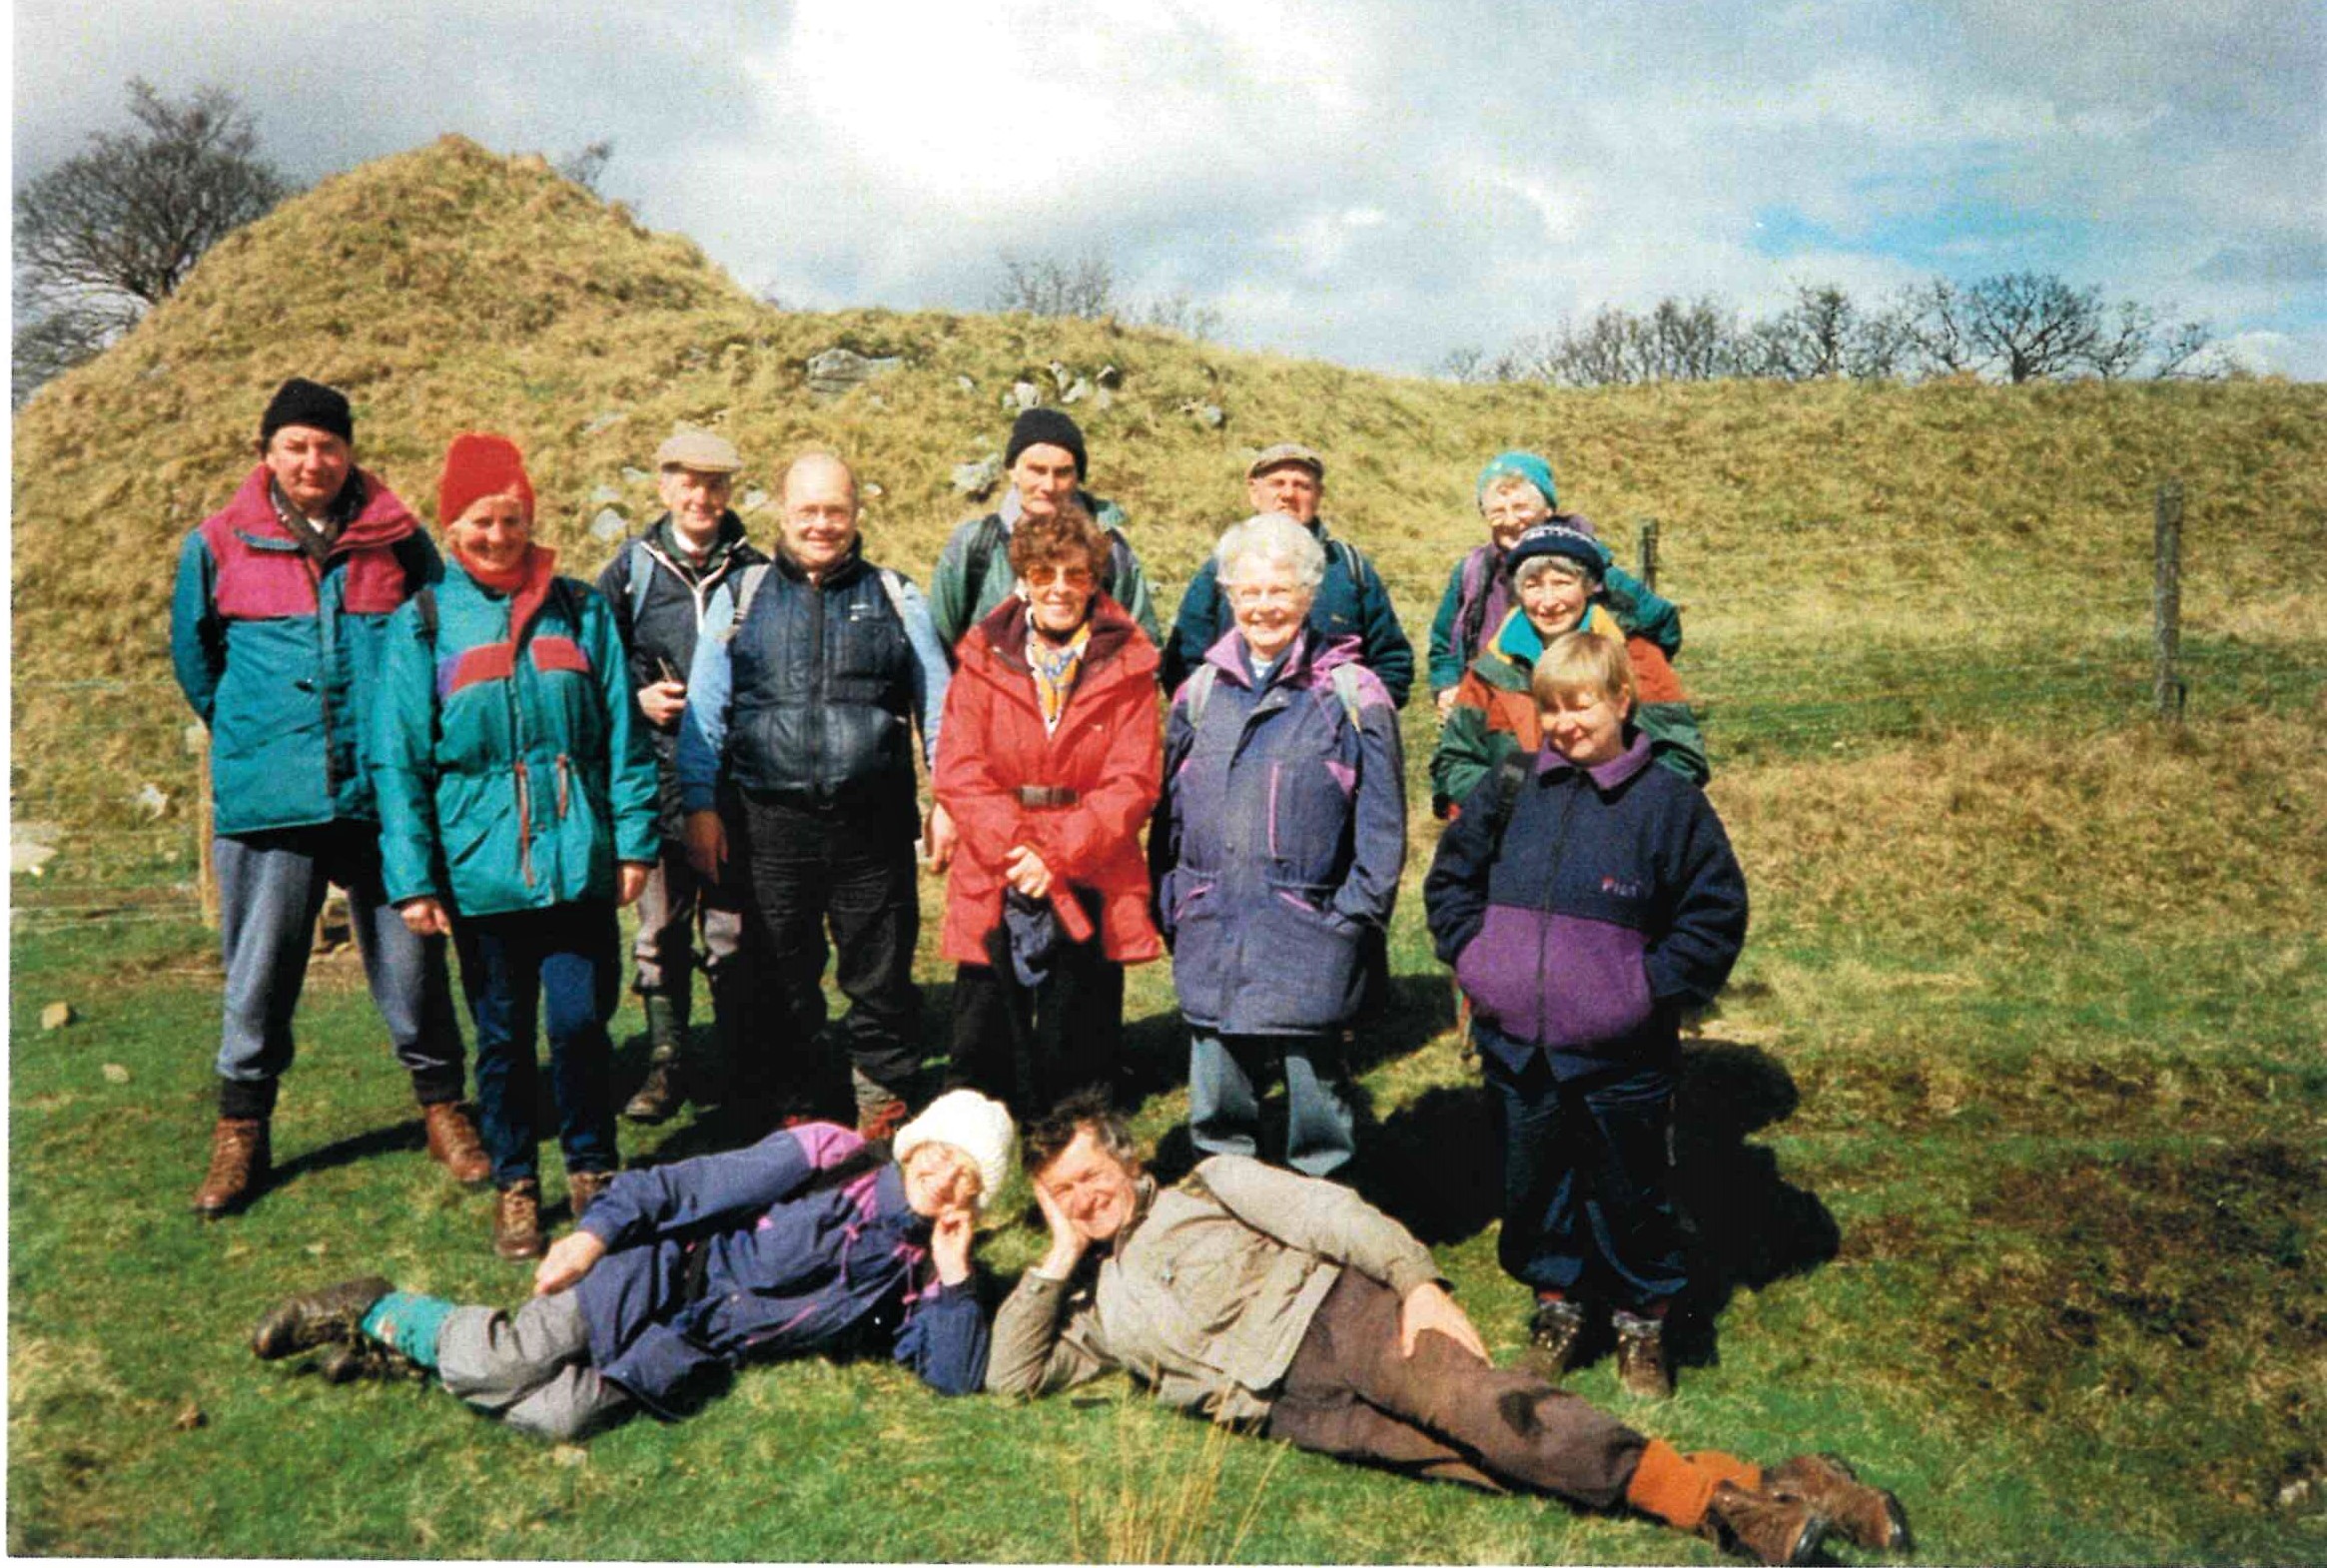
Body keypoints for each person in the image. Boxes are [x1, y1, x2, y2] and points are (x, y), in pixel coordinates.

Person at [989, 1092, 1908, 1567]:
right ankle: (1787, 1484)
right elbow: (1010, 1377)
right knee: (1488, 1466)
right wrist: (1058, 1255)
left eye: (1091, 1176)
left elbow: (1328, 1213)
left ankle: (1723, 1513)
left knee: (1499, 1416)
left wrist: (1416, 1282)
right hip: (1291, 1412)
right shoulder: (1099, 1308)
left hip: (1341, 1318)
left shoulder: (1209, 1186)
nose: (1086, 1198)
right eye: (1063, 1193)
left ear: (1127, 1160)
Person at [251, 1090, 1014, 1442]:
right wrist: (593, 1236)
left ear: (976, 1200)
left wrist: (956, 1280)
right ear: (917, 1141)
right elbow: (683, 1185)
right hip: (656, 1269)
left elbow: (952, 1380)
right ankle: (377, 1306)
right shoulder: (829, 1157)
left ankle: (403, 1353)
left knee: (557, 1416)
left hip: (686, 1347)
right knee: (510, 1358)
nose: (944, 1177)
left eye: (968, 1178)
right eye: (942, 1153)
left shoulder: (918, 1275)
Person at [169, 377, 478, 1218]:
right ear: (267, 453)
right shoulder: (216, 543)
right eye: (296, 446)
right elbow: (198, 661)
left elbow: (442, 637)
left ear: (350, 453)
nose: (314, 461)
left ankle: (443, 1108)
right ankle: (242, 1127)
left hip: (384, 793)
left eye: (329, 446)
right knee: (259, 971)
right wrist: (258, 733)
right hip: (273, 795)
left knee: (414, 963)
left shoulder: (398, 538)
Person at [1423, 633, 1748, 1399]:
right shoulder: (1512, 785)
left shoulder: (1669, 804)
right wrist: (1478, 960)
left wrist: (1642, 991)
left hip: (1623, 1053)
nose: (1565, 724)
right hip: (1518, 1045)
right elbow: (1452, 880)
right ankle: (1558, 1310)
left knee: (1632, 1191)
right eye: (1551, 709)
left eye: (1582, 705)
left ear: (1621, 701)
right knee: (1535, 1185)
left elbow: (1714, 914)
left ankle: (1642, 1322)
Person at [372, 433, 660, 1259]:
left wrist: (634, 841)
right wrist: (414, 879)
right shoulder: (424, 624)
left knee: (579, 1023)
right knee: (501, 1038)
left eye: (511, 518)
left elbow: (622, 737)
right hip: (481, 872)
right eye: (480, 521)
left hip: (577, 863)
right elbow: (399, 761)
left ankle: (593, 1169)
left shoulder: (582, 610)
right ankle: (516, 1182)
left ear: (531, 519)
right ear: (451, 527)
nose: (497, 536)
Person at [676, 452, 952, 1139]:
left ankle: (881, 1092)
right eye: (808, 511)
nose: (821, 525)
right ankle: (796, 1096)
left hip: (873, 824)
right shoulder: (739, 596)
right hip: (769, 825)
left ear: (856, 514)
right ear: (782, 511)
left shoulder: (896, 595)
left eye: (835, 511)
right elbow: (704, 713)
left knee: (880, 969)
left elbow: (940, 707)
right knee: (779, 972)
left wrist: (946, 797)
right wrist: (700, 806)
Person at [1152, 513, 1405, 1177]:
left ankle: (1326, 1220)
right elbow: (1168, 821)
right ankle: (1228, 1215)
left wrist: (1352, 919)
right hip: (1212, 926)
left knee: (1319, 1123)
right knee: (1219, 1114)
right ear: (1230, 596)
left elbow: (1382, 830)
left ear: (1309, 595)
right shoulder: (1198, 693)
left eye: (1280, 590)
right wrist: (1175, 902)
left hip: (1312, 934)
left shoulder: (1353, 693)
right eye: (1250, 591)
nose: (1264, 606)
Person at [933, 500, 1163, 1113]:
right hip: (997, 859)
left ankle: (1075, 1133)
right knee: (984, 1021)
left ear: (1094, 581)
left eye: (1076, 574)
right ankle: (979, 1130)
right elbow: (959, 768)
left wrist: (1056, 854)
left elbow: (1133, 780)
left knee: (1080, 1031)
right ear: (1023, 580)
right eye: (1043, 573)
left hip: (1091, 858)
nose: (1059, 588)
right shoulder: (982, 656)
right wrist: (1018, 849)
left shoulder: (1129, 662)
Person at [593, 429, 768, 1124]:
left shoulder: (756, 572)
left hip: (735, 785)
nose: (702, 497)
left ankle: (737, 1060)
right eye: (688, 482)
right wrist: (637, 702)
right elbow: (594, 671)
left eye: (715, 483)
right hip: (654, 780)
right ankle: (667, 1062)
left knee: (731, 930)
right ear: (664, 487)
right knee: (660, 930)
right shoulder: (629, 572)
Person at [1430, 520, 1708, 818]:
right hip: (1518, 827)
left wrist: (1612, 803)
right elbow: (1454, 763)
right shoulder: (1492, 668)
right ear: (1518, 593)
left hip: (1616, 824)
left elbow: (1681, 758)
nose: (1548, 601)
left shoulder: (1634, 656)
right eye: (1533, 585)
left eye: (1562, 583)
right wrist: (1520, 795)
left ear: (1587, 587)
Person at [1426, 451, 1680, 718]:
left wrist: (1637, 680)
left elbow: (1661, 621)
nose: (1511, 520)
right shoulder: (1473, 571)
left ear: (1548, 508)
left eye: (1521, 507)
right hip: (1496, 712)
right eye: (1498, 511)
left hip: (1582, 711)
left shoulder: (1588, 563)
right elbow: (1444, 642)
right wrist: (1448, 686)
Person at [1161, 441, 1414, 706]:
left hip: (1332, 726)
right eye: (1277, 483)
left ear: (1318, 495)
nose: (1288, 494)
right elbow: (1184, 663)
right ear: (1254, 492)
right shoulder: (1223, 566)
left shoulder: (1349, 567)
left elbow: (1392, 661)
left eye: (1302, 485)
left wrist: (1361, 716)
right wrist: (1222, 718)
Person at [927, 407, 1161, 652]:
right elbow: (936, 648)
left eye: (1062, 473)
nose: (1049, 485)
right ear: (1012, 470)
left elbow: (1143, 646)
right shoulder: (974, 544)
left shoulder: (1108, 548)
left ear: (1077, 477)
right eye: (1036, 470)